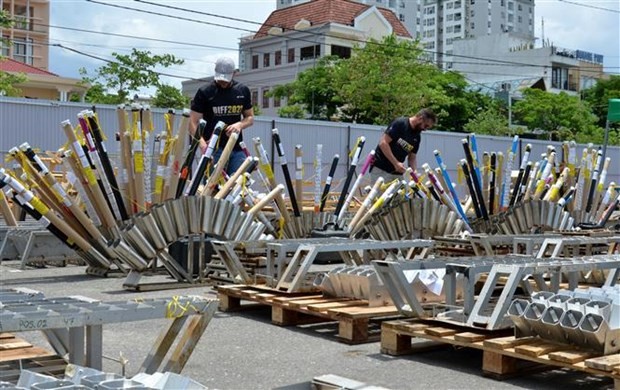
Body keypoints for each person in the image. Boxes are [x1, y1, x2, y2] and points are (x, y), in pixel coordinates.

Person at [189, 56, 254, 174]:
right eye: (220, 79)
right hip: (214, 149)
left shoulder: (242, 91)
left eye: (226, 79)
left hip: (236, 148)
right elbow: (192, 122)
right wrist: (203, 145)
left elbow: (250, 118)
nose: (223, 82)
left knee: (237, 185)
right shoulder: (205, 92)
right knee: (212, 187)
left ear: (234, 73)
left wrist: (240, 124)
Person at [368, 108, 437, 183]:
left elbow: (412, 157)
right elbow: (383, 143)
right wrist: (396, 163)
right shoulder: (400, 123)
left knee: (401, 194)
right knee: (380, 194)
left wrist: (414, 173)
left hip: (397, 174)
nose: (425, 129)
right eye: (426, 126)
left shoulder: (417, 136)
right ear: (420, 118)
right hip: (381, 169)